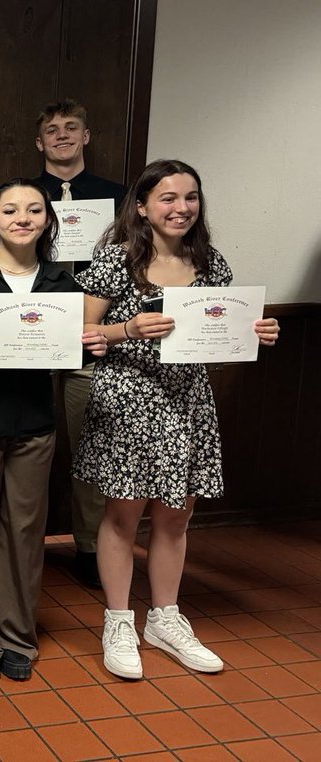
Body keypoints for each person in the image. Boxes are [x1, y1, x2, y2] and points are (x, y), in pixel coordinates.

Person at [74, 159, 279, 680]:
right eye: (167, 198)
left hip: (189, 400)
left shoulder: (212, 264)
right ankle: (119, 620)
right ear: (142, 206)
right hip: (128, 398)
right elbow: (79, 333)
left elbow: (218, 342)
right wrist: (128, 328)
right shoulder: (113, 261)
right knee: (123, 517)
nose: (181, 208)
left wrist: (252, 335)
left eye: (190, 197)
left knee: (176, 514)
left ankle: (164, 618)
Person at [0, 178, 107, 683]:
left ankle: (16, 632)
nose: (22, 218)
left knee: (25, 533)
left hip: (35, 426)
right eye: (10, 210)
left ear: (47, 221)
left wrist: (92, 345)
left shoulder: (63, 284)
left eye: (34, 210)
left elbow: (69, 352)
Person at [32, 99, 127, 588]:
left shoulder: (117, 198)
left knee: (91, 445)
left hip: (92, 338)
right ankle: (23, 547)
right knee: (25, 443)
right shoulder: (25, 197)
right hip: (29, 334)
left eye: (72, 128)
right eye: (52, 130)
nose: (62, 136)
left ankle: (90, 545)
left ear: (86, 136)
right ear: (40, 142)